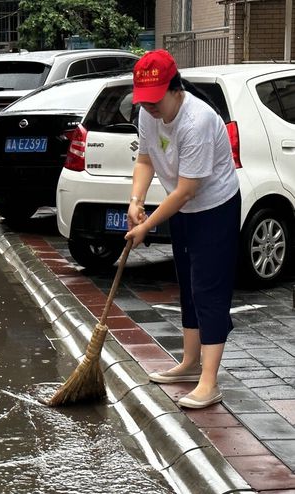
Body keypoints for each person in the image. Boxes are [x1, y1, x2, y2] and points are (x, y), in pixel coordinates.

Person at [125, 50, 240, 409]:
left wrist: (148, 226)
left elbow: (187, 189)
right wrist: (136, 200)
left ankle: (209, 381)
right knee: (188, 285)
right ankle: (190, 364)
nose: (150, 107)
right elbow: (145, 158)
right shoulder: (149, 114)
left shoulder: (199, 121)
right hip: (185, 210)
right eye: (144, 101)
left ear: (176, 89)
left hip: (214, 208)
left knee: (210, 290)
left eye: (156, 99)